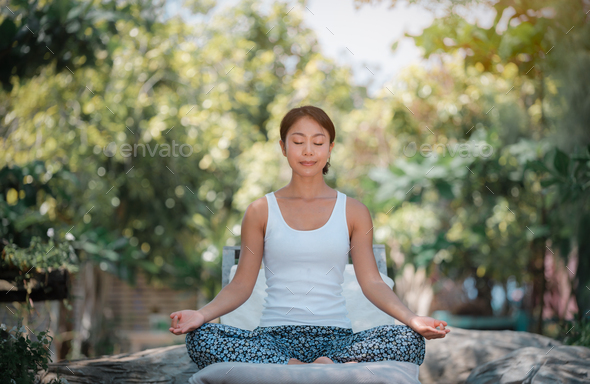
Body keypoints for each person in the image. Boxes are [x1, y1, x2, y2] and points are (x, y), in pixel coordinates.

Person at [170, 105, 450, 370]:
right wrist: (201, 315)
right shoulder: (260, 211)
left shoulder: (354, 211)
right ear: (283, 147)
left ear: (330, 149)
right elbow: (241, 284)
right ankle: (299, 369)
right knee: (201, 338)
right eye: (298, 141)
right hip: (272, 339)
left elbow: (373, 282)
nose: (308, 151)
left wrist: (413, 319)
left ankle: (321, 366)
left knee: (409, 341)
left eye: (318, 143)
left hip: (338, 341)